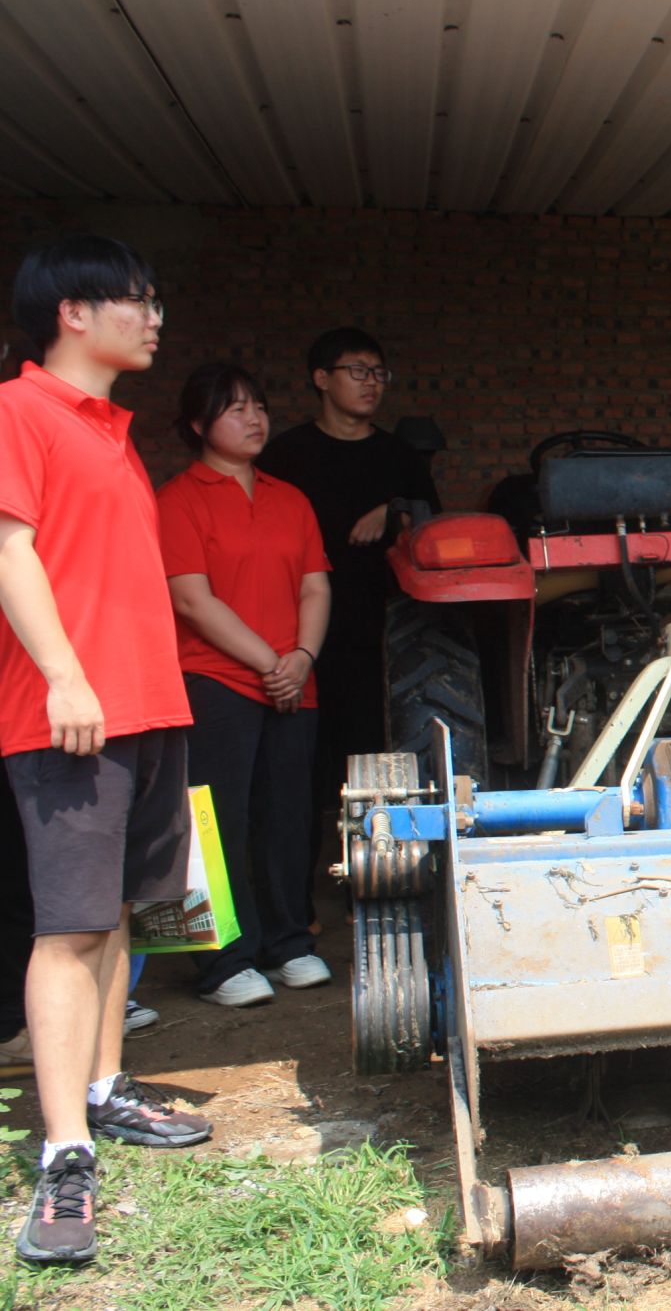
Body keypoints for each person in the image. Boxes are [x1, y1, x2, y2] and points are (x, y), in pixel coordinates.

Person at [0, 236, 214, 1268]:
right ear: (71, 313)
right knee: (70, 927)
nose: (155, 315)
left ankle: (102, 1087)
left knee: (124, 911)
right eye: (137, 300)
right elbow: (9, 549)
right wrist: (63, 672)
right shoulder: (20, 410)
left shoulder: (116, 434)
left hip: (147, 705)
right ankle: (64, 1151)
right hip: (72, 711)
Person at [158, 363, 334, 1008]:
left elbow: (316, 583)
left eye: (259, 405)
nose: (255, 418)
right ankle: (222, 961)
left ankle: (289, 943)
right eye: (235, 409)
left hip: (294, 680)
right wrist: (271, 661)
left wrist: (303, 656)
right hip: (217, 679)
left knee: (287, 818)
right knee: (214, 822)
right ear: (199, 425)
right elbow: (192, 601)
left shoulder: (291, 498)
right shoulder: (179, 499)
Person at [258, 327, 438, 824]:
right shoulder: (285, 455)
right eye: (357, 371)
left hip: (384, 621)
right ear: (321, 378)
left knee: (372, 738)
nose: (371, 383)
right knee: (305, 747)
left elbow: (431, 527)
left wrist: (392, 506)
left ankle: (378, 842)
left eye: (379, 374)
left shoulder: (399, 457)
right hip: (301, 626)